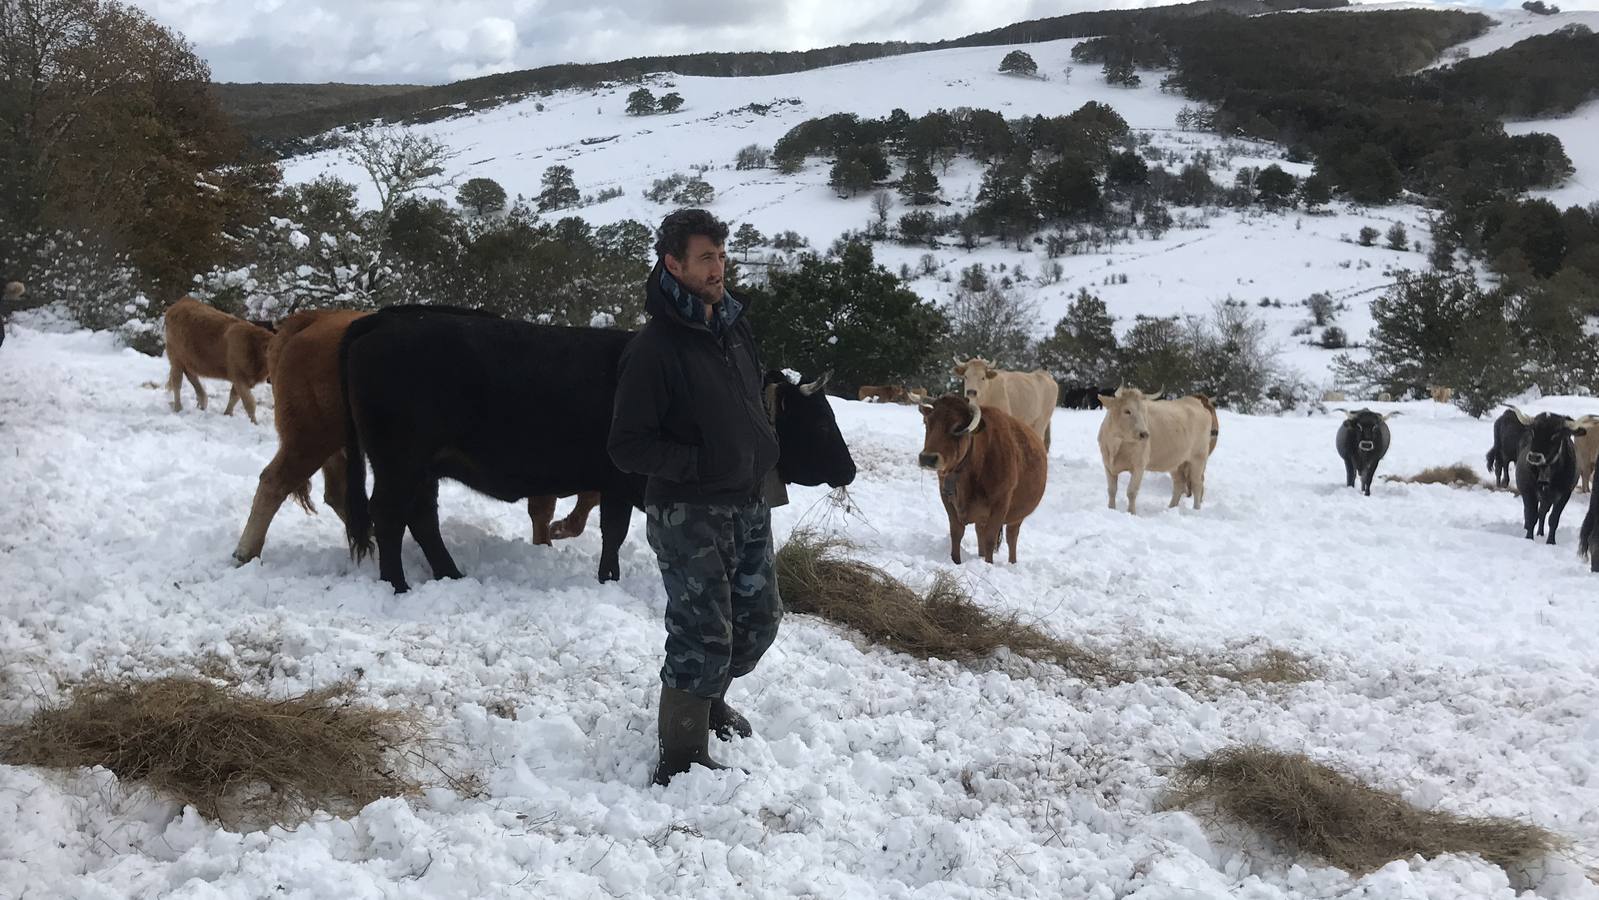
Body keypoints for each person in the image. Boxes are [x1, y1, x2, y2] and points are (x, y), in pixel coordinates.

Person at [607, 208, 783, 786]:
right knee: (701, 630)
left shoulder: (731, 325)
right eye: (705, 257)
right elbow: (627, 446)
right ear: (673, 264)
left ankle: (708, 701)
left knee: (758, 621)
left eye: (721, 256)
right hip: (691, 513)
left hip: (749, 501)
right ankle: (680, 756)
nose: (718, 267)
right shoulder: (655, 348)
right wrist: (700, 464)